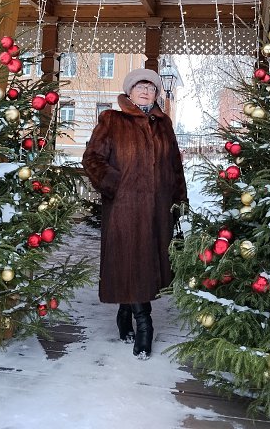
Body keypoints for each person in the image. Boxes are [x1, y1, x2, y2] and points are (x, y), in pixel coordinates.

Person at [82, 68, 188, 360]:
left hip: (158, 209)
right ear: (129, 92)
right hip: (125, 209)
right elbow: (92, 158)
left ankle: (125, 310)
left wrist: (179, 200)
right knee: (133, 260)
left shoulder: (163, 124)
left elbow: (175, 166)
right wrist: (114, 184)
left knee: (144, 263)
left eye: (151, 88)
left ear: (156, 95)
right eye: (140, 86)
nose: (145, 91)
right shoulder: (112, 120)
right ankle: (144, 324)